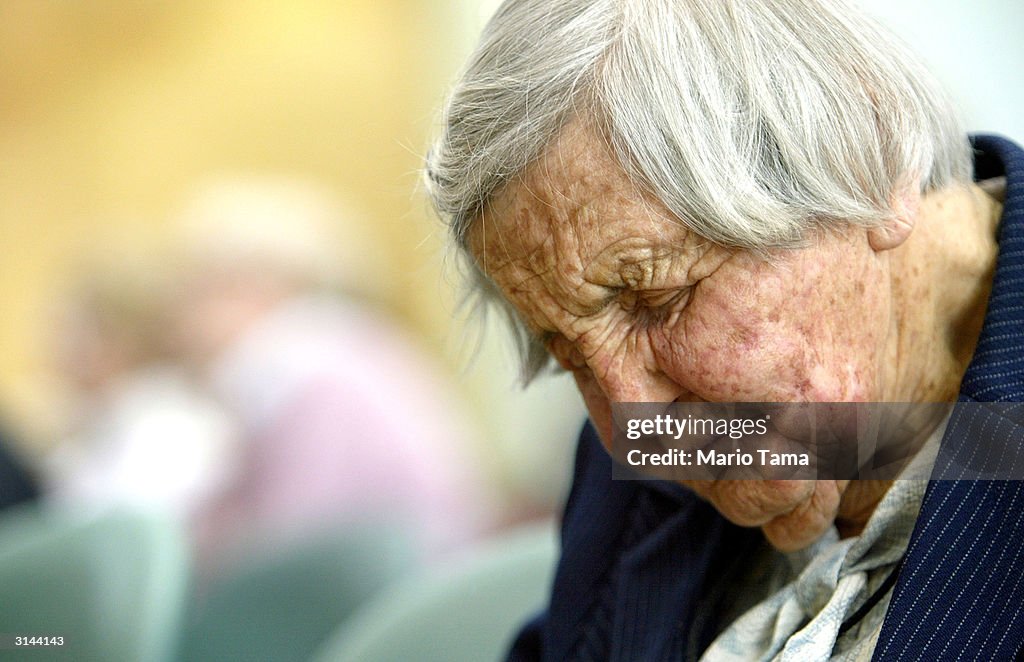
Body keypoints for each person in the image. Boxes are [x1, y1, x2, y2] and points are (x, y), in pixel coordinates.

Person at [425, 0, 1024, 659]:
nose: (635, 427)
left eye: (659, 299)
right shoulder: (628, 471)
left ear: (871, 162)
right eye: (572, 358)